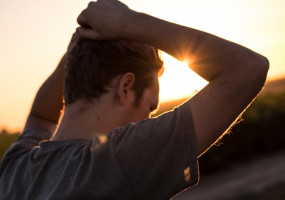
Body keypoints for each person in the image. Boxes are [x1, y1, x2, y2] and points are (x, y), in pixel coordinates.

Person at [0, 0, 269, 199]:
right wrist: (131, 22)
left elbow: (41, 117)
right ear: (126, 87)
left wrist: (74, 52)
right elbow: (248, 69)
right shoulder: (117, 162)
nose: (148, 119)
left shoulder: (16, 166)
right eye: (151, 108)